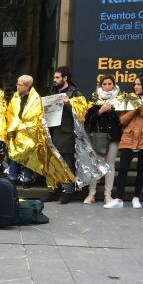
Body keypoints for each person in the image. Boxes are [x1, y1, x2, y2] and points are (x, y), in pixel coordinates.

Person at [0, 75, 74, 190]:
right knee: (13, 154)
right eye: (17, 83)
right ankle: (12, 177)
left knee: (30, 154)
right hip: (16, 130)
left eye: (20, 84)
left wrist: (22, 126)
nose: (17, 86)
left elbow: (36, 116)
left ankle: (27, 178)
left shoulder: (36, 99)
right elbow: (10, 113)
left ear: (27, 86)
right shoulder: (15, 97)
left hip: (29, 132)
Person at [104, 74, 143, 209]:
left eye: (138, 84)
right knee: (123, 169)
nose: (135, 86)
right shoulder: (129, 99)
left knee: (141, 170)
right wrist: (135, 107)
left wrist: (142, 107)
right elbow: (122, 120)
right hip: (129, 137)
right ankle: (118, 199)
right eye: (135, 84)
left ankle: (136, 198)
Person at [47, 66, 87, 203]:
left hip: (67, 132)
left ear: (65, 78)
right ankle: (55, 189)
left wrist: (68, 103)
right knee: (54, 161)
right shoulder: (54, 91)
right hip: (53, 131)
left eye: (57, 77)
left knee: (66, 161)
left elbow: (81, 113)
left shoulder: (75, 93)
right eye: (54, 77)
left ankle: (68, 191)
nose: (55, 80)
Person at [84, 75, 122, 204]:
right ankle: (91, 194)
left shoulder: (120, 99)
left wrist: (111, 111)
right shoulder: (94, 99)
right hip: (97, 137)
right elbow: (87, 120)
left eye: (109, 84)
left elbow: (123, 121)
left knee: (110, 165)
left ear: (114, 85)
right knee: (95, 165)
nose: (107, 87)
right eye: (104, 84)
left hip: (113, 137)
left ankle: (107, 195)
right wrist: (100, 111)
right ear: (100, 86)